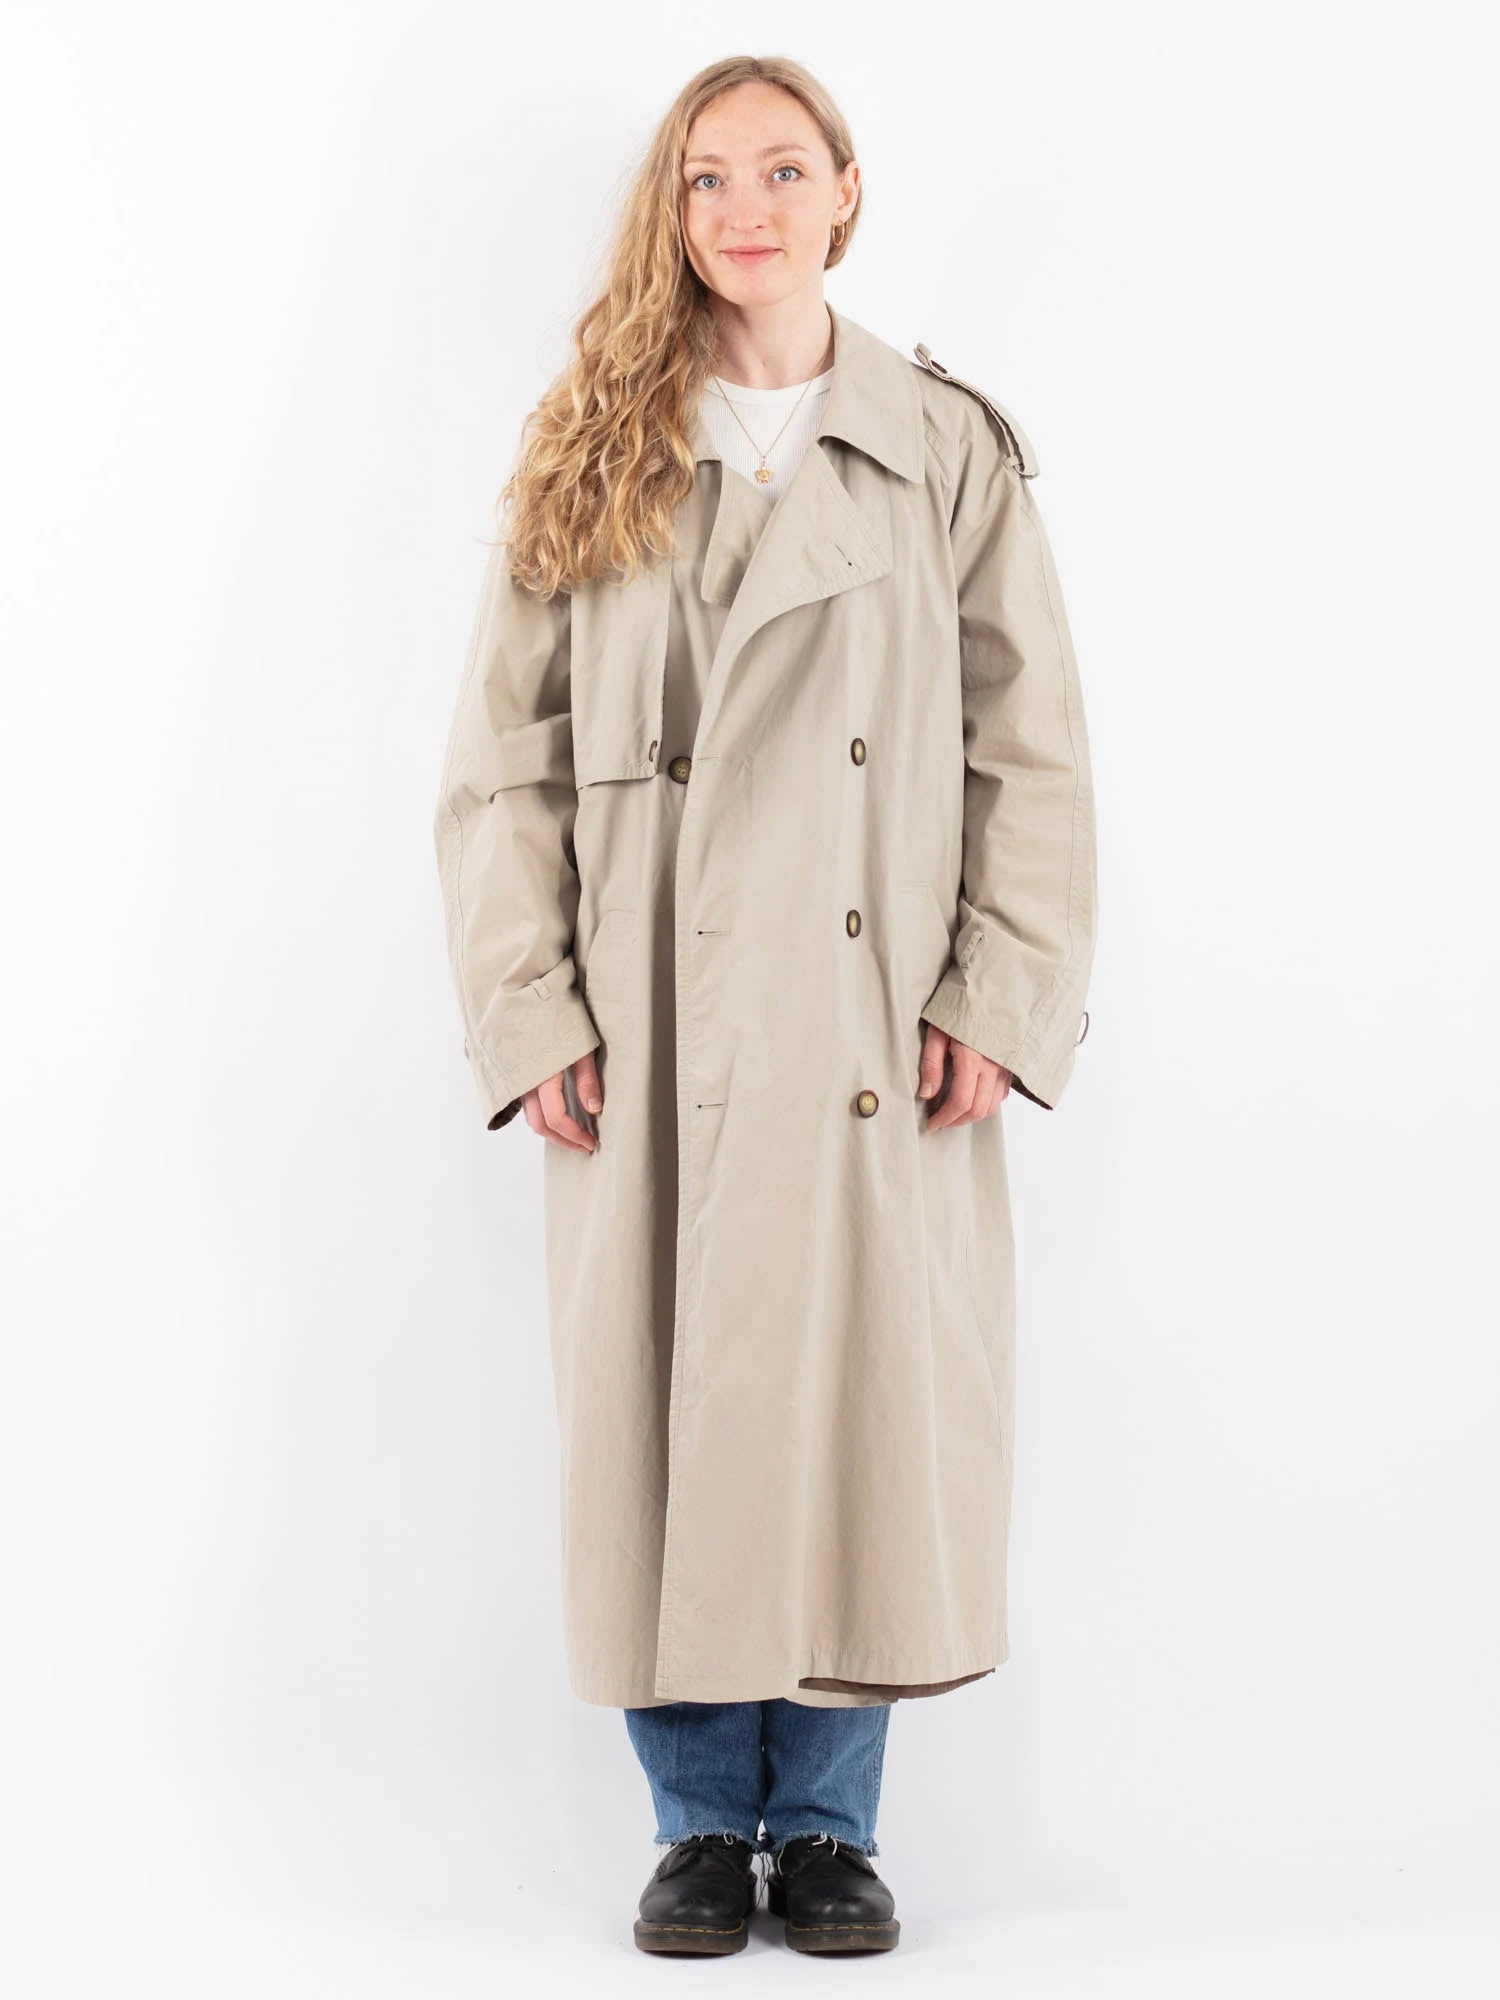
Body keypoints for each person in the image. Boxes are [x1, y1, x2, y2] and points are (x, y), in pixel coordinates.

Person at [432, 53, 1097, 1956]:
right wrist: (534, 1011)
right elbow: (500, 764)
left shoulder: (942, 446)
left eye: (783, 170)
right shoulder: (596, 441)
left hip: (870, 1021)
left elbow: (1031, 748)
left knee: (858, 1410)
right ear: (676, 207)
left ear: (846, 193)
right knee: (663, 1398)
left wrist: (1000, 992)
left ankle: (826, 1830)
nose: (746, 208)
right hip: (651, 1016)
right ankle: (693, 1824)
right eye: (708, 177)